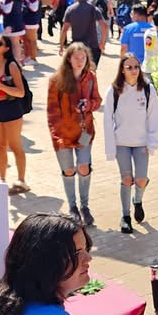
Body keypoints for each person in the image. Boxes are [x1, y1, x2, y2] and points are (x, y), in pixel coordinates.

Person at [102, 52, 158, 234]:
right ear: (122, 70)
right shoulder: (114, 91)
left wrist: (152, 142)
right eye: (129, 67)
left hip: (141, 143)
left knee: (141, 179)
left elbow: (154, 117)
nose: (134, 70)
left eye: (136, 67)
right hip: (122, 143)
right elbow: (107, 120)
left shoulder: (148, 89)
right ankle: (125, 215)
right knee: (127, 179)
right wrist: (110, 147)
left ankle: (138, 200)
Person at [48, 43, 102, 226]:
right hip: (63, 134)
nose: (80, 61)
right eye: (76, 58)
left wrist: (89, 105)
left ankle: (84, 206)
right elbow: (52, 112)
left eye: (83, 58)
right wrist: (57, 137)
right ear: (68, 59)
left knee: (84, 167)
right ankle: (72, 207)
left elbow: (98, 100)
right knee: (69, 170)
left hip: (84, 131)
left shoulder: (91, 77)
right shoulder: (57, 80)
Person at [0, 35, 29, 194]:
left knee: (15, 146)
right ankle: (2, 180)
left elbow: (21, 92)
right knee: (0, 146)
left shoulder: (11, 65)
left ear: (6, 48)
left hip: (11, 109)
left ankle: (21, 180)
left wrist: (1, 86)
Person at [60, 0, 108, 66]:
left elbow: (64, 29)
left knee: (77, 71)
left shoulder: (70, 9)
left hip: (76, 46)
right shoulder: (94, 9)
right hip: (92, 45)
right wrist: (102, 43)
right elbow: (104, 26)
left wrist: (61, 46)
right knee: (91, 71)